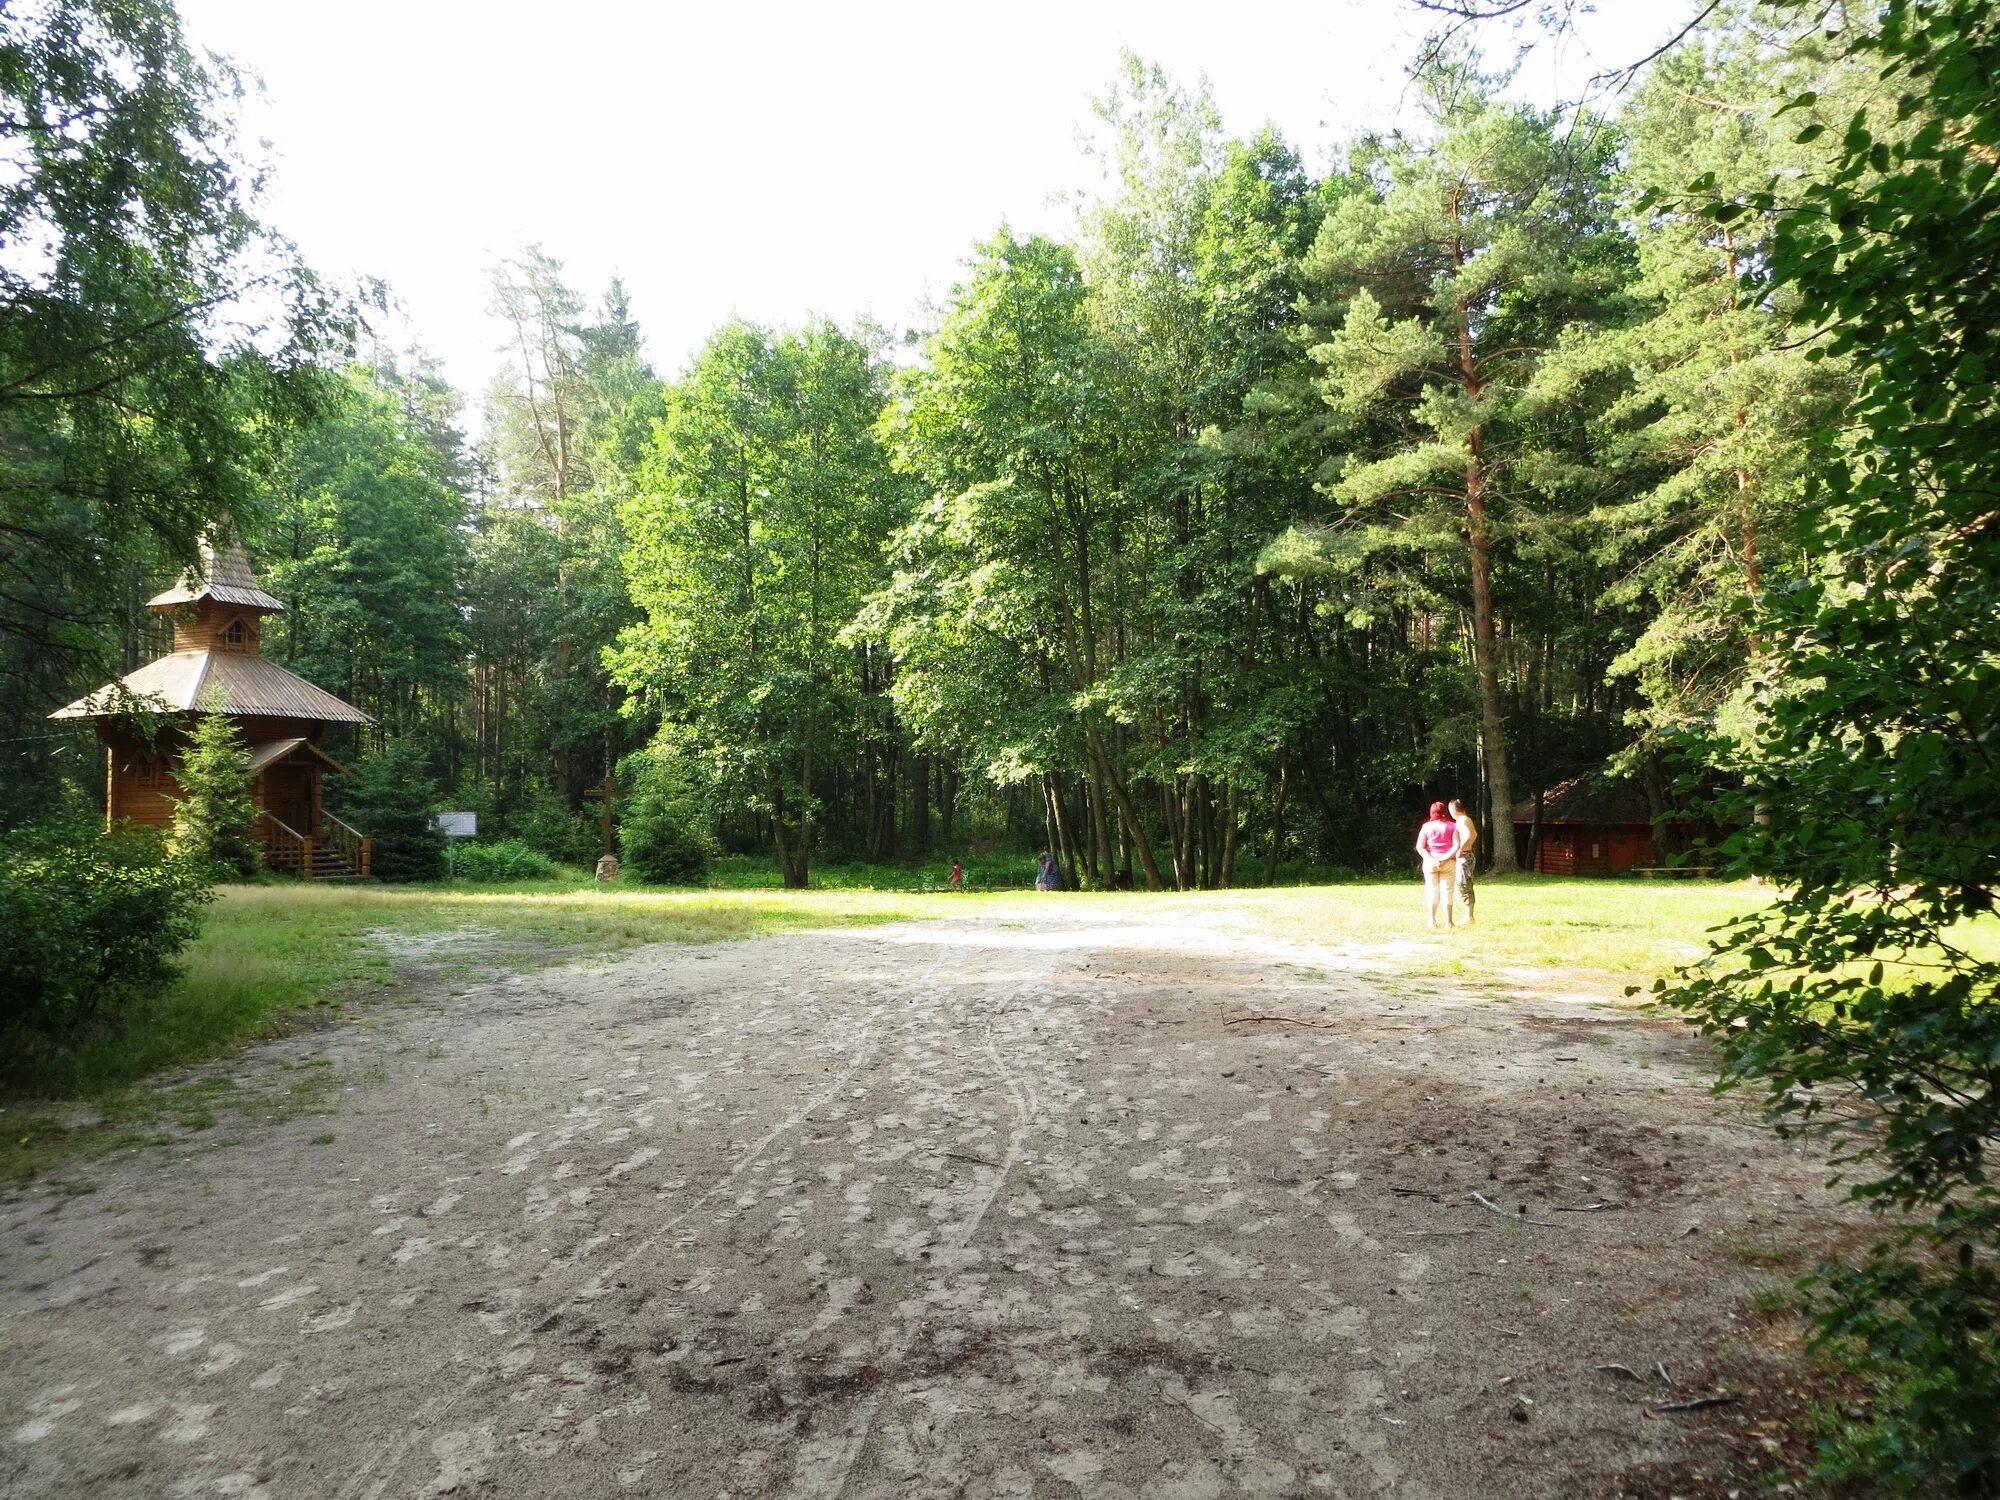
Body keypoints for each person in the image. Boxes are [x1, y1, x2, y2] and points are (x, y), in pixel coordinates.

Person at [1415, 801, 1461, 929]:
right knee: (1447, 891)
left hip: (1430, 863)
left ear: (1432, 813)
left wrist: (1431, 859)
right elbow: (1456, 845)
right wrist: (1445, 858)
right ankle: (1449, 922)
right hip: (1449, 863)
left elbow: (1420, 847)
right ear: (1445, 811)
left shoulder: (1426, 827)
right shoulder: (1453, 826)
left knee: (1432, 891)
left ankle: (1432, 921)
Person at [1448, 797, 1479, 924]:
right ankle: (1468, 915)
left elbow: (1468, 835)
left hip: (1464, 857)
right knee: (1465, 884)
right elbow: (1475, 835)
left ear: (1453, 809)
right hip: (1469, 854)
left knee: (1463, 885)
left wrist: (1461, 849)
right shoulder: (1467, 819)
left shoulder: (1461, 820)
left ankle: (1469, 916)